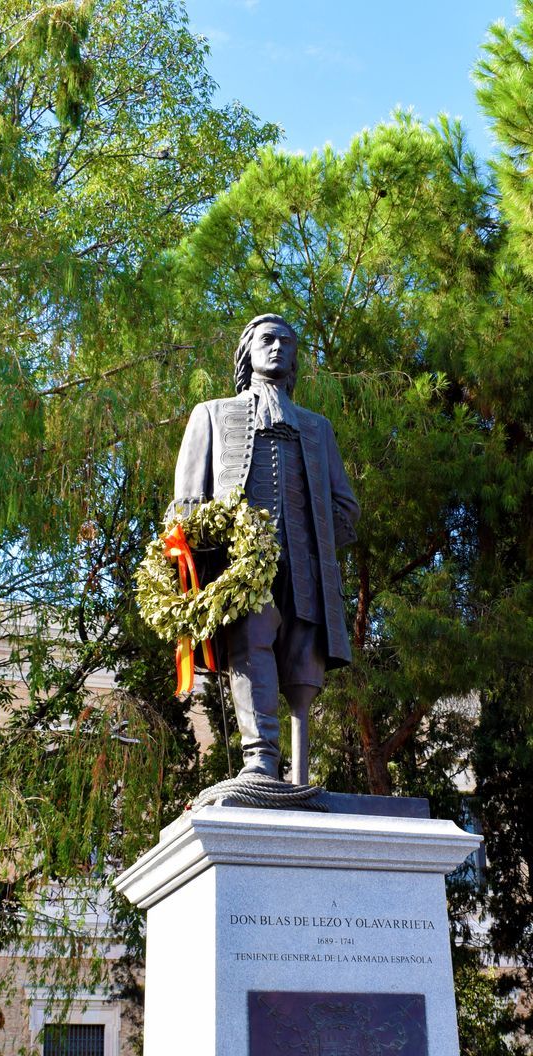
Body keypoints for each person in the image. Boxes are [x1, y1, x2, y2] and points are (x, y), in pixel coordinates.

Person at [172, 314, 359, 782]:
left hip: (304, 566)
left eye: (286, 342)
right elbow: (187, 501)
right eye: (267, 340)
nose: (277, 348)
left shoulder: (318, 429)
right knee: (251, 645)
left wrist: (317, 538)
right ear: (248, 351)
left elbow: (346, 506)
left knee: (302, 662)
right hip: (242, 569)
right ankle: (260, 757)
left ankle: (300, 770)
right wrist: (214, 546)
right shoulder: (212, 414)